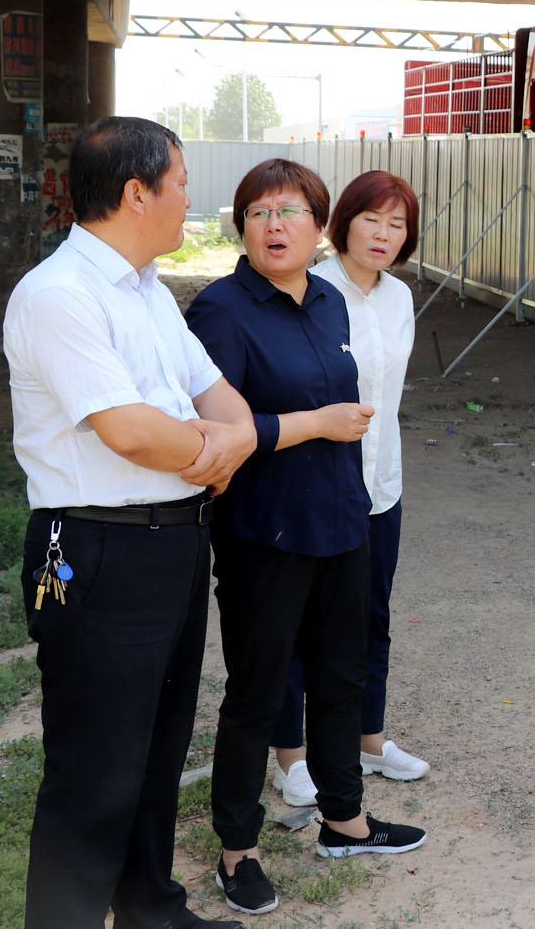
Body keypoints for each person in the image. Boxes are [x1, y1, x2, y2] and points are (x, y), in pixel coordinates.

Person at [3, 116, 256, 929]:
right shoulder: (58, 294)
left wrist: (235, 438)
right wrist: (219, 451)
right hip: (98, 548)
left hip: (175, 539)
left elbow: (221, 397)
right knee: (93, 771)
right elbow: (130, 430)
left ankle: (152, 910)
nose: (191, 198)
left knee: (155, 751)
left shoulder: (148, 291)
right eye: (180, 182)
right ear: (137, 192)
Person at [185, 159, 424, 917]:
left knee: (341, 675)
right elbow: (214, 429)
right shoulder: (221, 310)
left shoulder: (328, 301)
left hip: (343, 518)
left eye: (290, 211)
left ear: (318, 225)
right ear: (241, 226)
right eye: (258, 212)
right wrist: (317, 424)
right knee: (257, 692)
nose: (274, 225)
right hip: (265, 530)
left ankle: (345, 821)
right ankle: (238, 849)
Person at [267, 170, 427, 807]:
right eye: (371, 220)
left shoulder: (399, 298)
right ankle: (291, 757)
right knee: (299, 625)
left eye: (397, 224)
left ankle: (369, 739)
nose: (383, 235)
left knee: (370, 619)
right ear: (342, 224)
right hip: (316, 487)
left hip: (379, 485)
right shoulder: (310, 291)